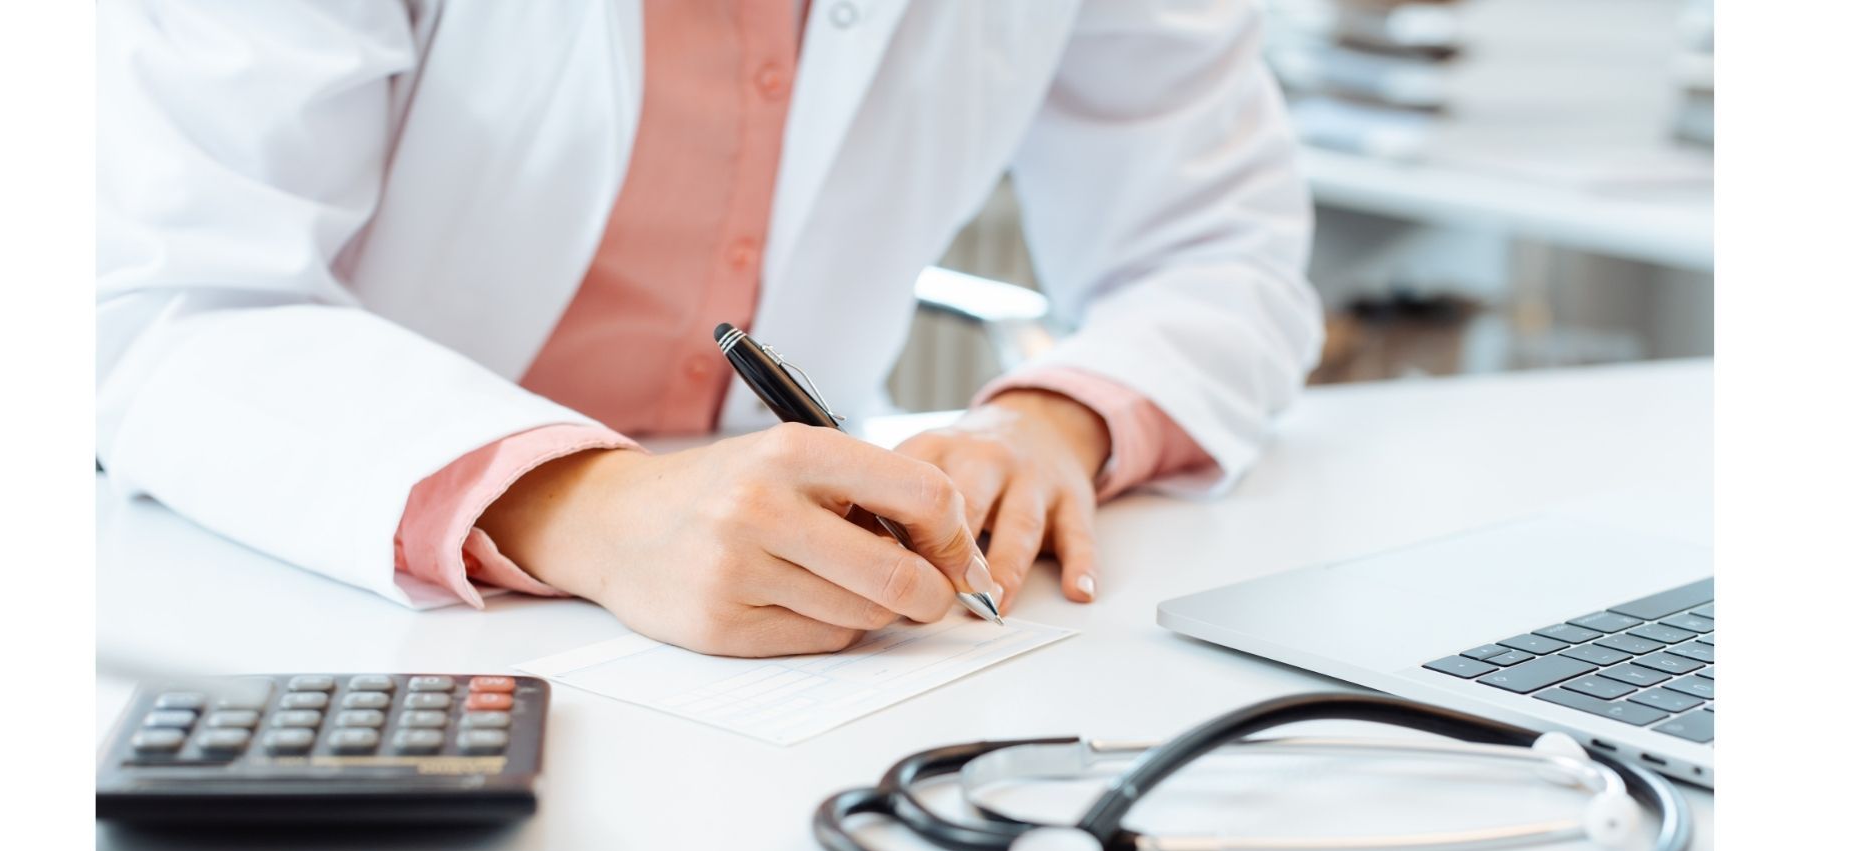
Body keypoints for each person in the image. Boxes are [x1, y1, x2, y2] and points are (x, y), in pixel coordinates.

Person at [96, 1, 1322, 657]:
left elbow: (1221, 248)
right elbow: (169, 305)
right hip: (317, 579)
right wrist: (591, 506)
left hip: (780, 641)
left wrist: (1056, 421)